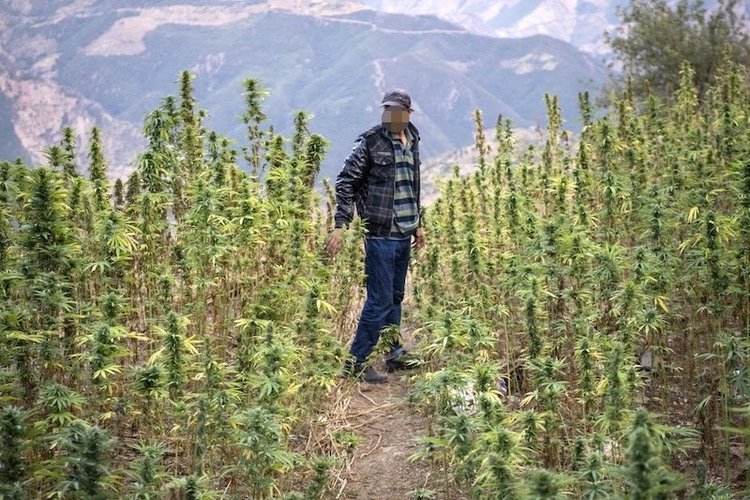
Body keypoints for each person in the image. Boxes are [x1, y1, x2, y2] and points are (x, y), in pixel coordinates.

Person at [325, 88, 425, 384]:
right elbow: (345, 182)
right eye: (387, 110)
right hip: (380, 234)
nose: (390, 116)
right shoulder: (370, 142)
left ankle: (394, 354)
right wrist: (341, 224)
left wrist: (418, 223)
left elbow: (411, 185)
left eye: (396, 111)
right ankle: (355, 363)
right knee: (379, 300)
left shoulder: (413, 139)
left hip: (404, 233)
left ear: (408, 114)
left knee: (395, 296)